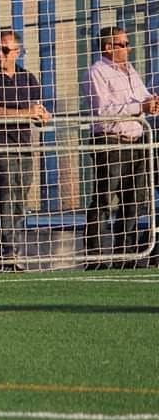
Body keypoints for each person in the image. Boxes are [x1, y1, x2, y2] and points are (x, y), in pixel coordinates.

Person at [0, 31, 50, 272]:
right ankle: (7, 256)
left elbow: (38, 113)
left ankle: (13, 252)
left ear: (17, 53)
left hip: (24, 145)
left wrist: (43, 116)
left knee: (20, 198)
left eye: (5, 50)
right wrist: (24, 113)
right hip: (0, 143)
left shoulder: (28, 78)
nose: (0, 55)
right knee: (7, 194)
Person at [83, 26, 159, 269]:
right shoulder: (97, 71)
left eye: (127, 43)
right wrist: (140, 108)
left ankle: (125, 255)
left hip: (136, 142)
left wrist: (151, 102)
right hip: (110, 141)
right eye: (123, 44)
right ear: (108, 47)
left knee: (134, 200)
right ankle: (95, 258)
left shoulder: (130, 70)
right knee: (105, 199)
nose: (128, 48)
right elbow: (103, 112)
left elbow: (142, 97)